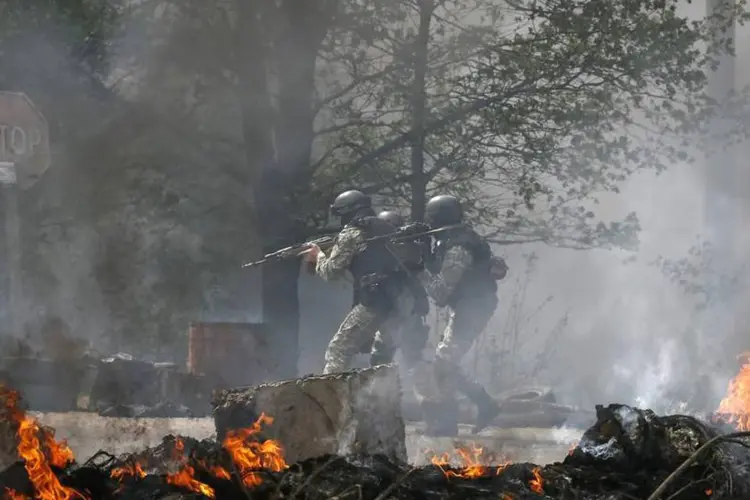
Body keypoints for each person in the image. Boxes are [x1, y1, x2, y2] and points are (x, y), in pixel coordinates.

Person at [415, 194, 507, 436]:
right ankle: (470, 410)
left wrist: (417, 269)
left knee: (444, 361)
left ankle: (474, 409)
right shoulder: (452, 239)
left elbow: (441, 293)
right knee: (444, 362)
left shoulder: (458, 246)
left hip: (474, 307)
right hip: (469, 305)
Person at [304, 190, 415, 374]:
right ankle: (381, 397)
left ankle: (332, 399)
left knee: (338, 350)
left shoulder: (352, 232)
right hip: (400, 299)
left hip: (374, 300)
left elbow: (330, 272)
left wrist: (318, 255)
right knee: (383, 354)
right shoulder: (387, 227)